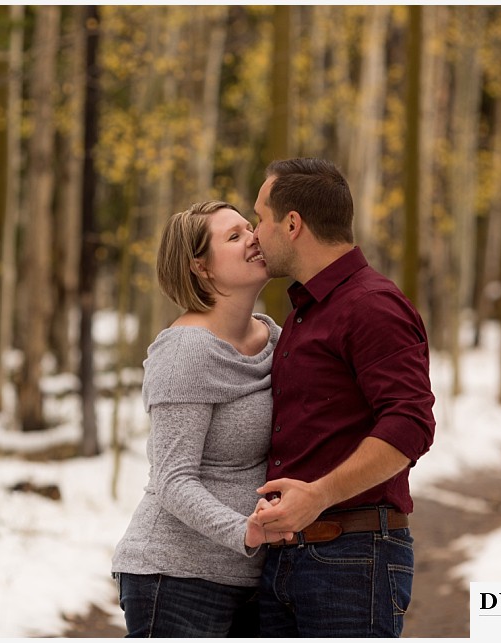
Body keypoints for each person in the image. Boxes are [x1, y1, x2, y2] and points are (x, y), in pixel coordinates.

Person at [249, 158, 436, 637]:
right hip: (285, 559)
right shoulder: (303, 313)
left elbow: (410, 424)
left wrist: (318, 495)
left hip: (353, 562)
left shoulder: (372, 306)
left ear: (292, 225)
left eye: (259, 219)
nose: (254, 234)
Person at [111, 200, 292, 637]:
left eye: (249, 227)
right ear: (201, 267)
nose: (252, 237)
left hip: (251, 579)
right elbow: (173, 478)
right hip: (174, 576)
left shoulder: (276, 339)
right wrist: (245, 532)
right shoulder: (185, 351)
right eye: (233, 237)